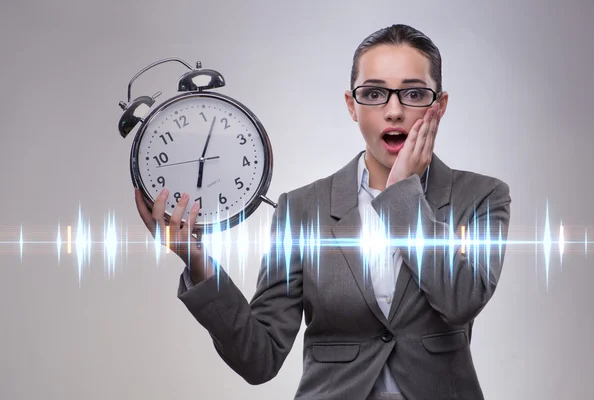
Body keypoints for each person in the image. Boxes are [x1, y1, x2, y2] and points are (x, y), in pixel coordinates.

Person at [135, 24, 511, 400]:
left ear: (439, 105)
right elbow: (259, 358)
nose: (394, 111)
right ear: (352, 105)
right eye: (375, 93)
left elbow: (461, 300)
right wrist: (196, 261)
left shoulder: (481, 196)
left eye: (413, 93)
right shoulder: (301, 209)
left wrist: (402, 193)